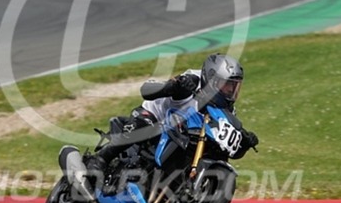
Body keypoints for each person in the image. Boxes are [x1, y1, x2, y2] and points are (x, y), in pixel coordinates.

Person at [86, 53, 259, 173]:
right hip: (156, 117)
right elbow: (146, 90)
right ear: (212, 79)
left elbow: (227, 150)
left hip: (182, 134)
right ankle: (101, 159)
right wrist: (176, 86)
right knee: (144, 126)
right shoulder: (193, 79)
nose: (231, 91)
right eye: (227, 85)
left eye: (234, 86)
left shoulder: (227, 110)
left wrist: (243, 141)